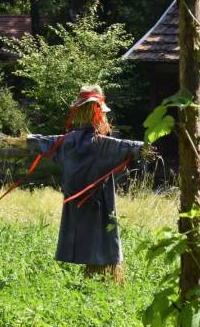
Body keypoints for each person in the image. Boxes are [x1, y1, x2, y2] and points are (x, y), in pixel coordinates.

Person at [26, 84, 146, 282]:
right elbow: (129, 148)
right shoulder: (102, 144)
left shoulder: (67, 142)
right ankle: (103, 275)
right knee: (103, 235)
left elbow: (42, 142)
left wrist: (28, 140)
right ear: (99, 113)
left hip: (76, 202)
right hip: (99, 202)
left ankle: (95, 275)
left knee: (89, 234)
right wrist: (142, 148)